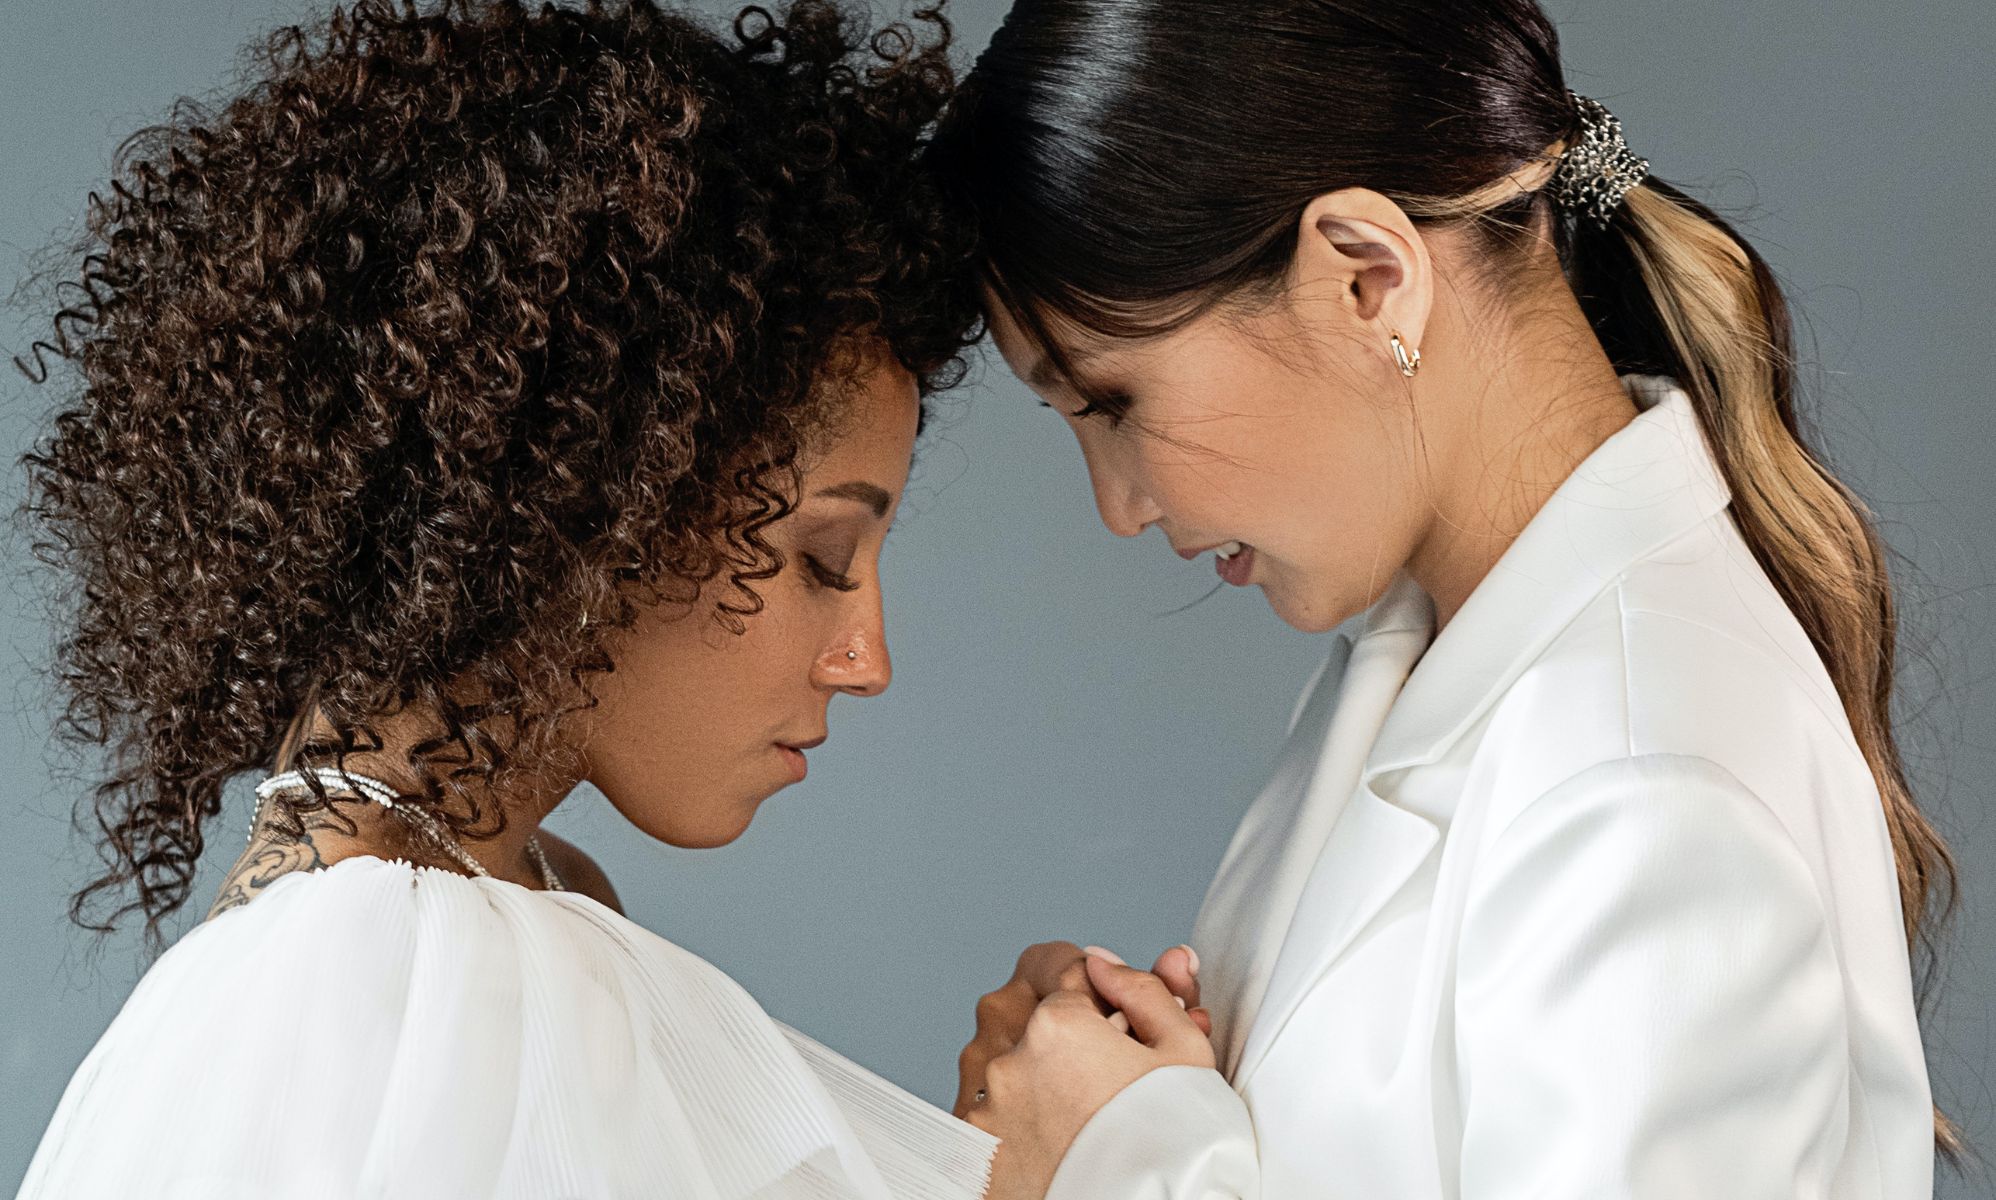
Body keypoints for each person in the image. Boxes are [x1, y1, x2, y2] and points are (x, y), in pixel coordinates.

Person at [930, 1, 1955, 1197]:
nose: (1119, 504)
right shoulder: (1425, 663)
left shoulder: (1646, 786)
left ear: (1368, 279)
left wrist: (1116, 1154)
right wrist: (1121, 1087)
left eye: (1112, 405)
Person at [11, 2, 998, 1196]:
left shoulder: (522, 903)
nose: (865, 658)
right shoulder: (378, 981)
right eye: (820, 558)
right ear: (593, 504)